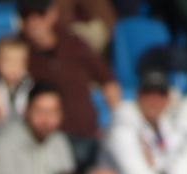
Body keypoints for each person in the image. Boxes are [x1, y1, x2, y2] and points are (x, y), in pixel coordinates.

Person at [17, 0, 116, 164]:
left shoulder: (74, 43)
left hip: (85, 132)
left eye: (39, 14)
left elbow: (108, 82)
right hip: (48, 140)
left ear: (52, 14)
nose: (33, 21)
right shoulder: (19, 50)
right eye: (26, 15)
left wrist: (114, 122)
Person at [0, 83, 77, 174]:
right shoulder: (7, 142)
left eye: (53, 112)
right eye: (40, 111)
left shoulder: (60, 142)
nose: (46, 119)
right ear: (27, 111)